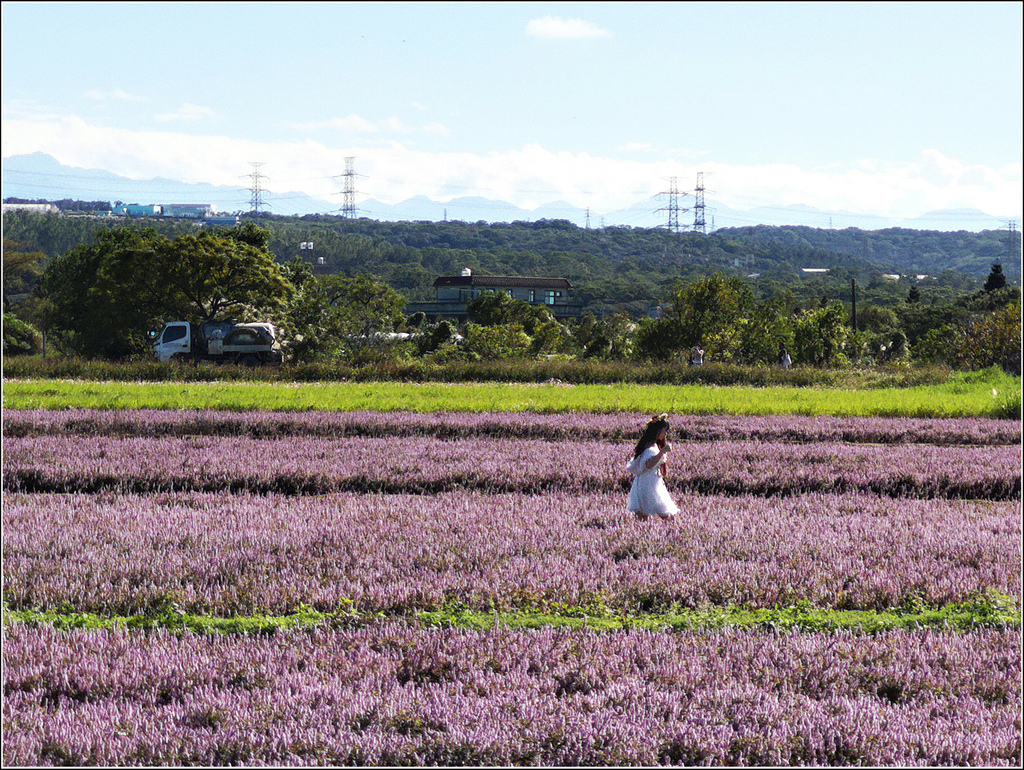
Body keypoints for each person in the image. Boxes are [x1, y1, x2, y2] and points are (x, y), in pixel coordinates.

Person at [626, 413, 680, 520]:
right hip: (649, 484)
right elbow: (648, 464)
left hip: (648, 482)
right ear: (658, 431)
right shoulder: (650, 447)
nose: (665, 433)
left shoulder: (650, 445)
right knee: (665, 513)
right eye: (664, 430)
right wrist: (662, 452)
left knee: (643, 515)